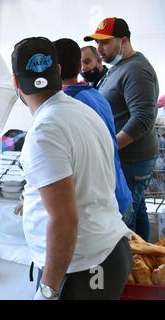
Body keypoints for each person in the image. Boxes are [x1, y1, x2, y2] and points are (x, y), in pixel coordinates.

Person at [11, 37, 132, 300]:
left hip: (83, 268)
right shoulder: (82, 109)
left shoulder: (45, 132)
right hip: (101, 252)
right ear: (57, 71)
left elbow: (65, 220)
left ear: (16, 83)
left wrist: (48, 289)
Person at [85, 17, 159, 240]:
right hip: (127, 158)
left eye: (105, 42)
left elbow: (143, 118)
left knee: (124, 219)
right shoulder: (119, 66)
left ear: (124, 40)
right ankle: (141, 262)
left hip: (132, 159)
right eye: (97, 43)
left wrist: (110, 147)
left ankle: (127, 268)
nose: (100, 49)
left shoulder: (136, 70)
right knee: (138, 212)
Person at [53, 38, 132, 218]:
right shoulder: (96, 95)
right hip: (118, 192)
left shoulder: (69, 104)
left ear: (54, 69)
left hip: (104, 205)